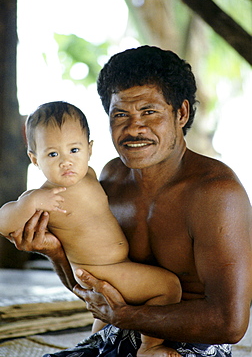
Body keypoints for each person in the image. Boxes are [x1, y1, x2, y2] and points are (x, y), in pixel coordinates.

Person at [7, 46, 252, 357]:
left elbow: (230, 323)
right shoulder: (110, 178)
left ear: (181, 113)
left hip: (189, 348)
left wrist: (126, 317)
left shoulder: (216, 194)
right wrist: (54, 251)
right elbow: (94, 285)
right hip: (116, 334)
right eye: (121, 114)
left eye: (149, 112)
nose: (134, 127)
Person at [0, 100, 182, 356]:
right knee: (168, 286)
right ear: (34, 159)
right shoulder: (47, 196)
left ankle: (94, 343)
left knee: (104, 322)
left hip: (115, 265)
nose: (66, 161)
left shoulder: (89, 174)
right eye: (53, 154)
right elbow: (3, 221)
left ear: (89, 148)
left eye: (74, 150)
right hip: (101, 270)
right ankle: (150, 346)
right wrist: (28, 202)